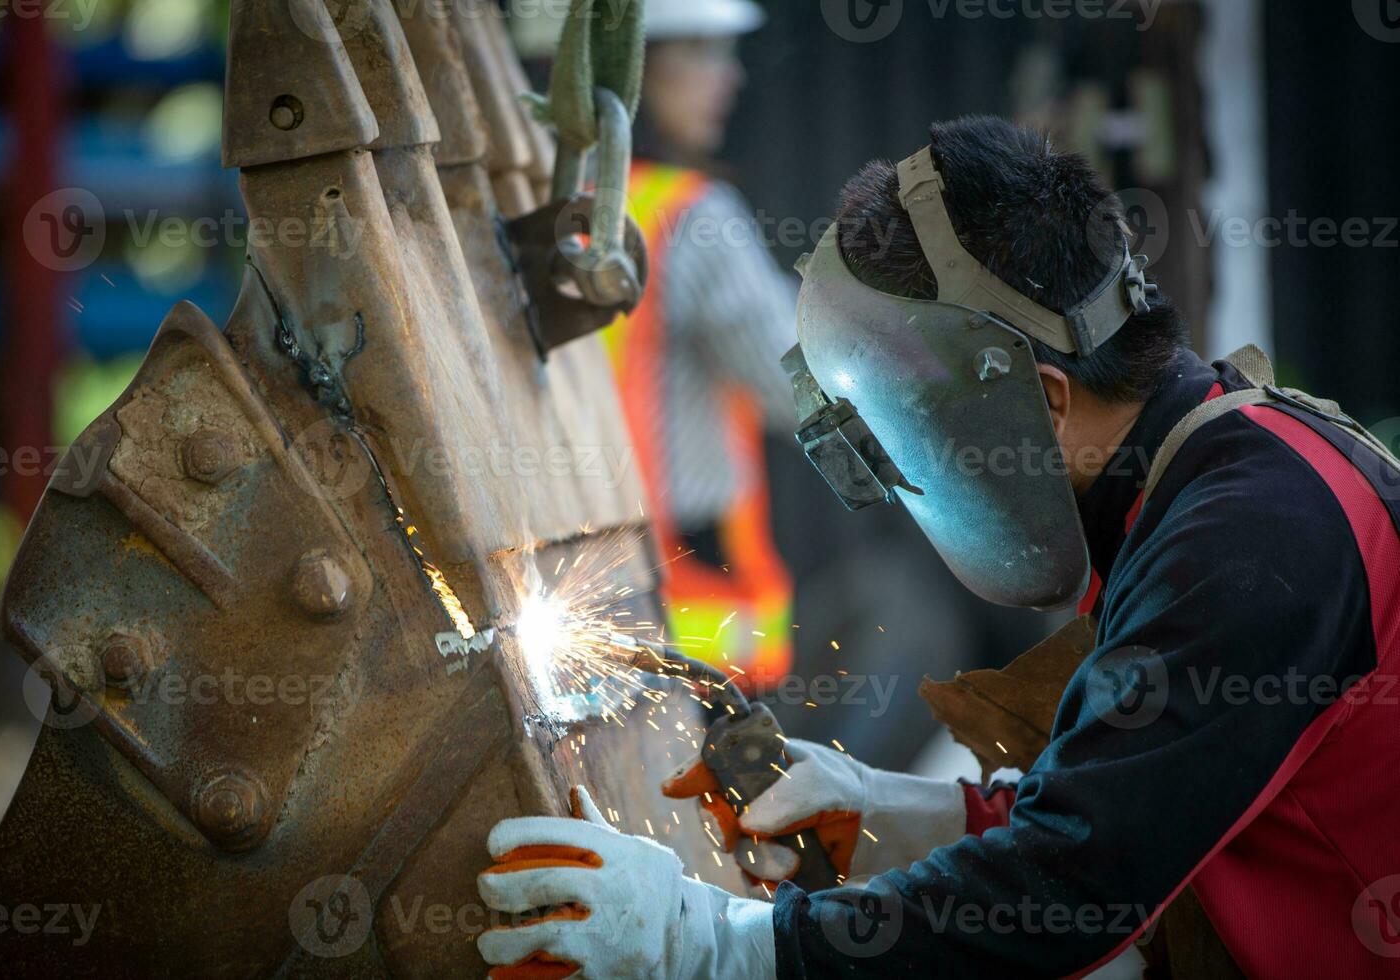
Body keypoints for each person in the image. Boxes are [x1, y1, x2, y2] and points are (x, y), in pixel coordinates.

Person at [474, 116, 1400, 977]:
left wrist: (716, 945)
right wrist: (895, 809)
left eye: (910, 424)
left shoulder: (1251, 540)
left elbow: (1071, 888)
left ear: (1041, 400)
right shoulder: (1193, 481)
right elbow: (1130, 797)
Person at [517, 0, 802, 687]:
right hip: (686, 597)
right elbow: (801, 390)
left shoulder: (526, 203)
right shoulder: (692, 215)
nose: (728, 78)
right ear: (627, 71)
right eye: (701, 51)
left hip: (555, 580)